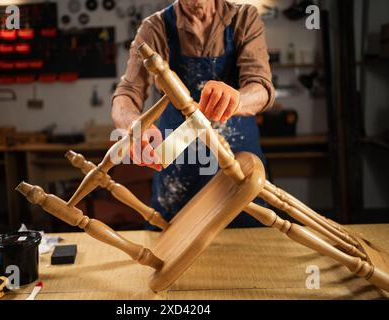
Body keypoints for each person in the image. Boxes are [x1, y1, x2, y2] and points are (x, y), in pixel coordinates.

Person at [112, 0, 275, 227]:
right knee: (173, 246)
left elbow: (262, 88)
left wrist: (237, 99)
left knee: (248, 239)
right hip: (179, 165)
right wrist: (134, 125)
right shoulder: (155, 28)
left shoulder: (243, 18)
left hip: (237, 162)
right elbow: (126, 93)